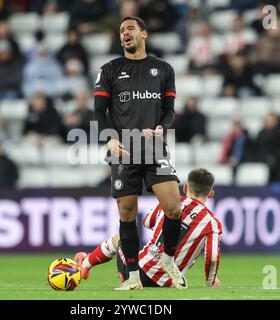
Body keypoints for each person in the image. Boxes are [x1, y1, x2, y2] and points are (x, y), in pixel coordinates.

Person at [93, 16, 184, 290]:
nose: (125, 33)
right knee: (127, 214)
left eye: (130, 28)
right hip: (123, 151)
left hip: (155, 148)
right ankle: (133, 278)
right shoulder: (109, 70)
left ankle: (168, 260)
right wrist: (107, 137)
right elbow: (98, 112)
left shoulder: (163, 69)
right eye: (122, 30)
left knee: (173, 207)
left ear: (144, 34)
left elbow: (169, 111)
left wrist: (162, 127)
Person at [74, 168, 222, 289]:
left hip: (141, 271)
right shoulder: (212, 223)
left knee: (119, 239)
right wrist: (211, 281)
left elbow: (147, 222)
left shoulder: (170, 202)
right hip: (167, 282)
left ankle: (85, 264)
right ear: (210, 193)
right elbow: (212, 256)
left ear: (185, 188)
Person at [256, 113, 280, 183]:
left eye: (271, 121)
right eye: (267, 121)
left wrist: (274, 157)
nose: (269, 123)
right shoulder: (261, 133)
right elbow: (257, 149)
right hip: (264, 165)